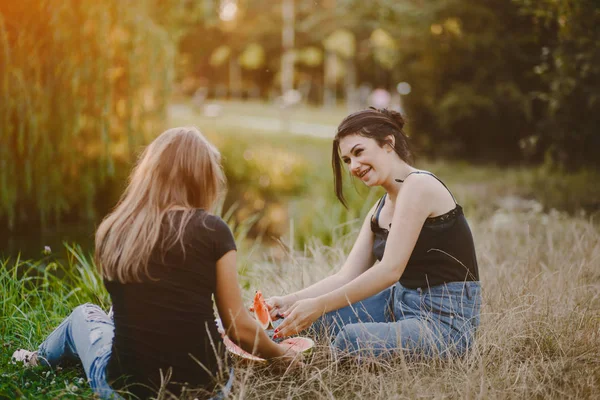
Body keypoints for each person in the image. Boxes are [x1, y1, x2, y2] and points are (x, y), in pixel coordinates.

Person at [11, 127, 297, 399]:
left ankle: (37, 359)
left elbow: (134, 299)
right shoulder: (213, 229)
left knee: (85, 314)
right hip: (209, 390)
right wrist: (283, 354)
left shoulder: (116, 228)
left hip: (126, 390)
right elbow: (240, 328)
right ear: (202, 180)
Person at [268, 108, 481, 359]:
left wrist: (318, 305)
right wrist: (289, 301)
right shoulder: (380, 207)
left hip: (444, 322)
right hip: (396, 303)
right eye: (347, 160)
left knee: (350, 340)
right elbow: (346, 275)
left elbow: (390, 270)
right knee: (303, 323)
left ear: (388, 143)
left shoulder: (419, 186)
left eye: (358, 152)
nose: (353, 167)